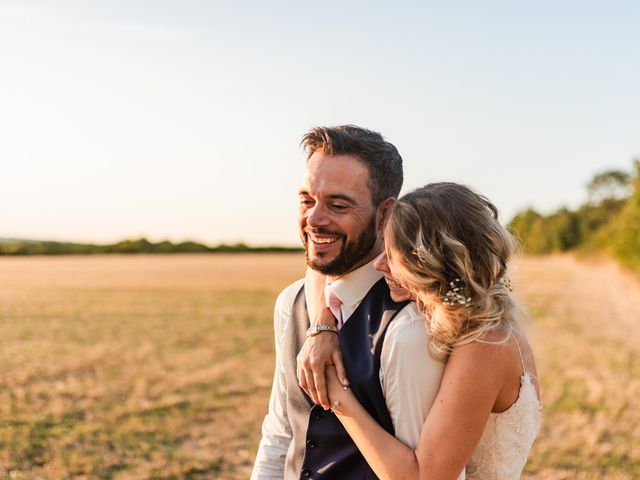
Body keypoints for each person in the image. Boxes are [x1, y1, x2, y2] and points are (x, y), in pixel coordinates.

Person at [251, 126, 462, 479]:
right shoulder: (291, 303)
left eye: (337, 204)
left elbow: (422, 470)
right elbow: (281, 429)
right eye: (307, 200)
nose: (314, 219)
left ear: (385, 214)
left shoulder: (411, 326)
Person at [299, 182, 542, 479]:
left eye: (393, 254)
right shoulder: (472, 320)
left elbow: (422, 476)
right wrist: (322, 326)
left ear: (430, 263)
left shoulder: (485, 344)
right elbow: (316, 271)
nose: (379, 264)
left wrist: (335, 394)